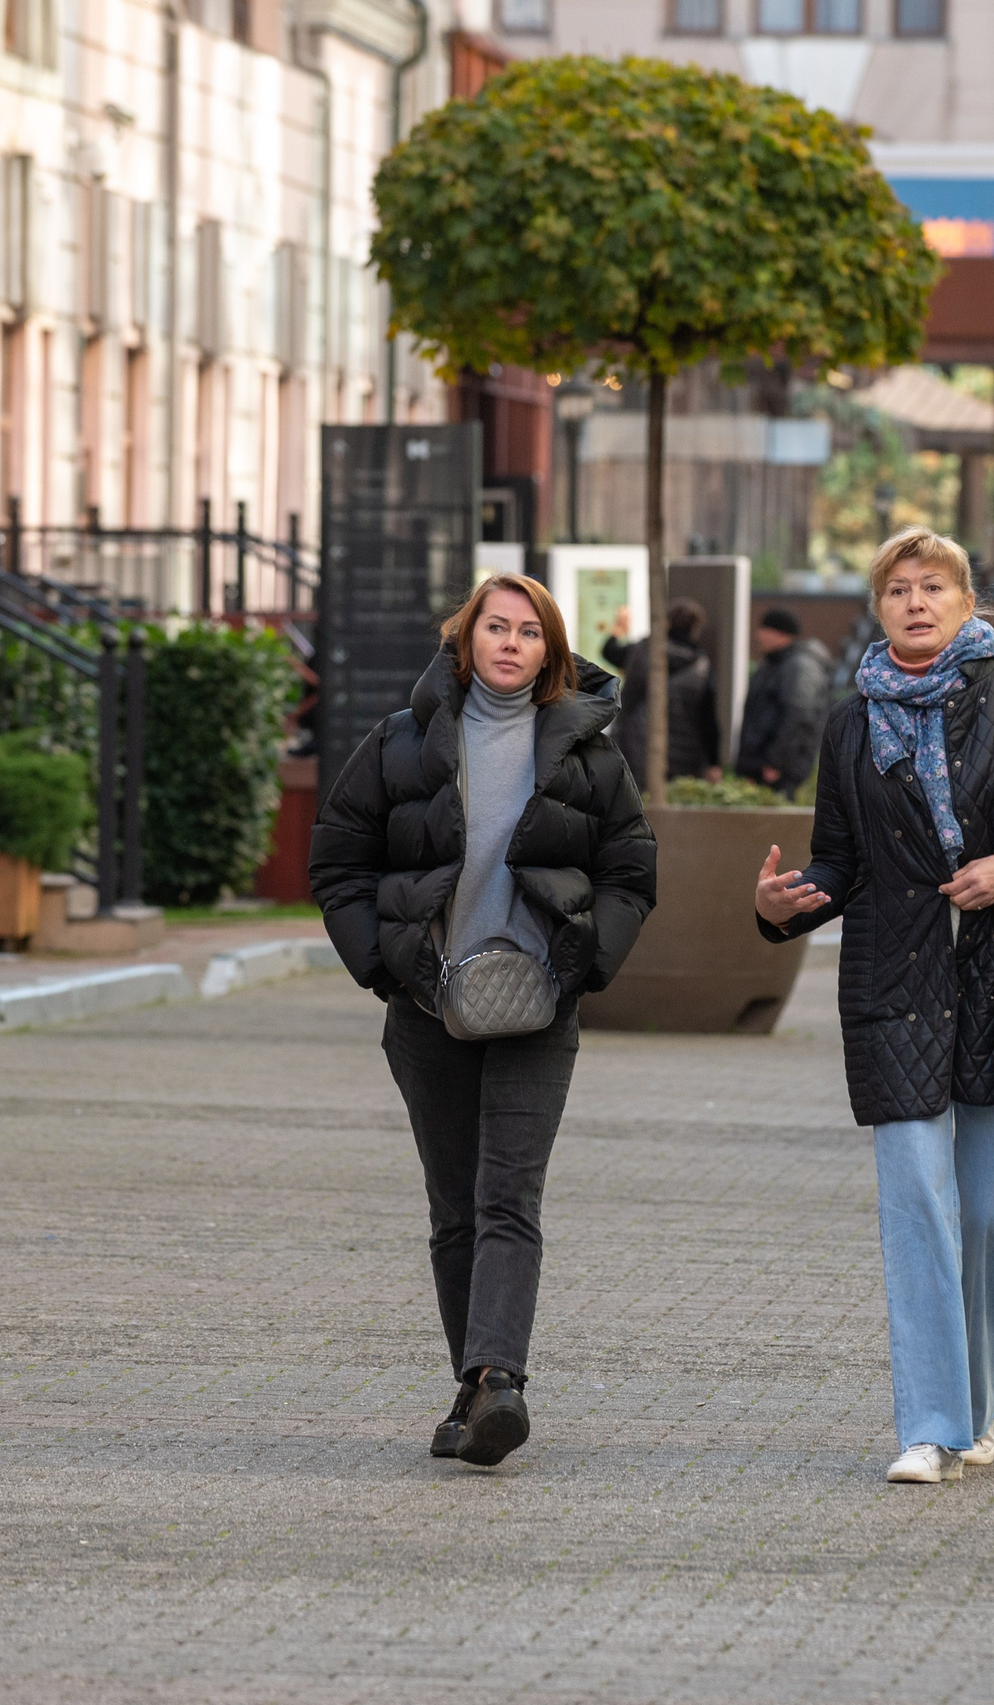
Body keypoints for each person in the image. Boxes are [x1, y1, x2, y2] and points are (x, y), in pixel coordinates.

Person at [752, 526, 994, 1484]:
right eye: (897, 590)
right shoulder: (849, 722)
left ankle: (975, 1406)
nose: (915, 602)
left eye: (934, 587)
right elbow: (839, 860)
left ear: (968, 601)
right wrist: (784, 905)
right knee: (917, 1203)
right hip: (896, 985)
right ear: (878, 610)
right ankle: (926, 1424)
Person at [312, 574, 657, 1470]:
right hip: (429, 1004)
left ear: (550, 649)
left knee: (510, 1196)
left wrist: (587, 959)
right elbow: (337, 860)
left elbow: (632, 869)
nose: (510, 642)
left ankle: (501, 1376)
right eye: (493, 627)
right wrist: (384, 963)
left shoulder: (589, 757)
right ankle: (472, 1387)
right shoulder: (398, 744)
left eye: (528, 630)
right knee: (454, 1204)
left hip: (540, 1010)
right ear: (464, 641)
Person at [603, 599, 721, 784]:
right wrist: (714, 763)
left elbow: (610, 652)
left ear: (667, 623)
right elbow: (708, 722)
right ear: (696, 628)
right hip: (685, 760)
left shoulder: (642, 651)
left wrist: (619, 628)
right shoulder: (702, 667)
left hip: (636, 749)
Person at [734, 608, 835, 796]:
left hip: (776, 772)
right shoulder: (774, 664)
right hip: (761, 768)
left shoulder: (799, 666)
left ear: (781, 634)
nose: (759, 635)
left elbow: (799, 715)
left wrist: (776, 763)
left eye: (765, 629)